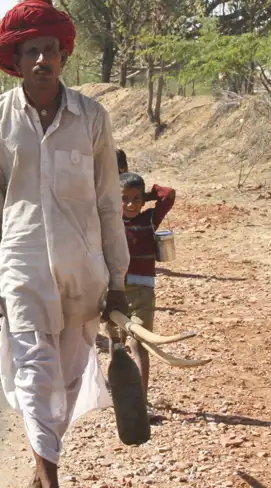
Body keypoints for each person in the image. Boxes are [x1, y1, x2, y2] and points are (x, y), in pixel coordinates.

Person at [0, 0, 130, 488]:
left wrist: (118, 280)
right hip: (22, 267)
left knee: (70, 378)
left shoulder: (93, 118)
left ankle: (42, 468)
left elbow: (108, 202)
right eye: (31, 51)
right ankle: (51, 481)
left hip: (83, 271)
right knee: (36, 375)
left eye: (50, 50)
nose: (42, 59)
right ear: (14, 61)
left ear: (64, 56)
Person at [106, 172, 176, 414]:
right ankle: (117, 396)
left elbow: (168, 195)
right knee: (116, 344)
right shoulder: (109, 222)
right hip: (114, 292)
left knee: (140, 344)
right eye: (124, 199)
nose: (131, 204)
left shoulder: (149, 220)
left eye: (136, 199)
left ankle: (141, 401)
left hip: (143, 292)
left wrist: (147, 194)